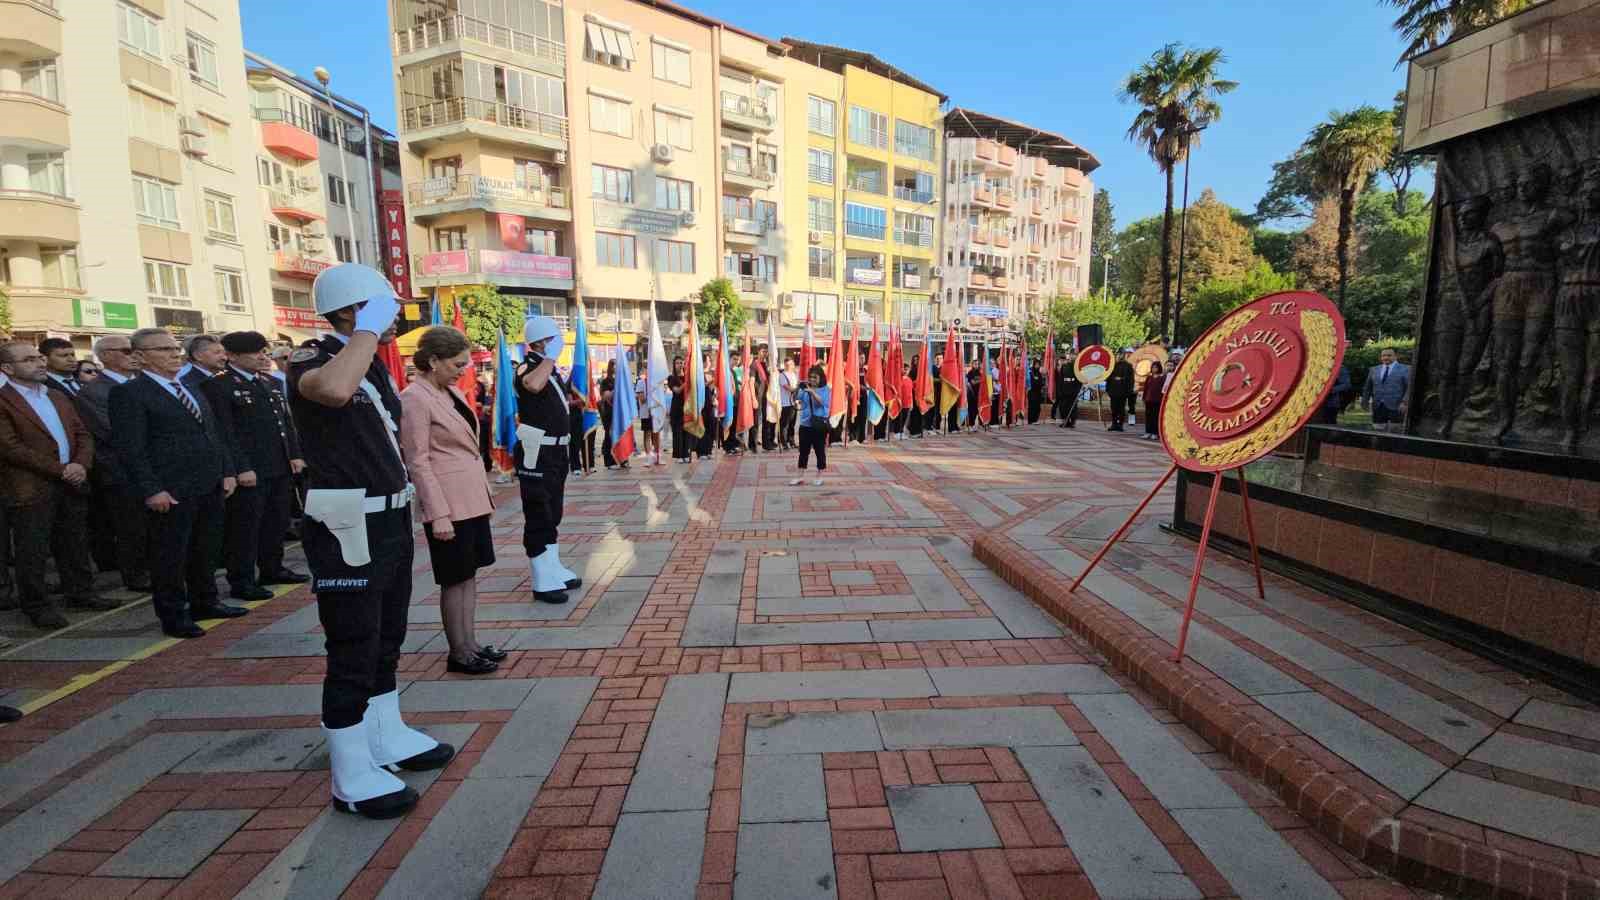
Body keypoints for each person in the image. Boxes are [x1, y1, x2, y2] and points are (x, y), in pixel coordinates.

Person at [288, 263, 454, 819]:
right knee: (353, 643)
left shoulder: (373, 364)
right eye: (383, 307)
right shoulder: (313, 357)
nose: (395, 318)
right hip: (344, 524)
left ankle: (385, 735)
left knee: (388, 636)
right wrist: (364, 329)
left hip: (387, 518)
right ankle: (349, 769)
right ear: (349, 309)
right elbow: (333, 390)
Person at [111, 328, 242, 638]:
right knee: (170, 555)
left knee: (205, 548)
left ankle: (205, 601)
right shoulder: (130, 393)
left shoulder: (188, 387)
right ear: (140, 357)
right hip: (170, 488)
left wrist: (226, 470)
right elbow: (131, 448)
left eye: (175, 349)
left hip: (207, 483)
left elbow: (212, 433)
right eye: (164, 350)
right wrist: (152, 488)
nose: (174, 355)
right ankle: (173, 614)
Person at [400, 327, 500, 675]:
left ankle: (470, 642)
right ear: (432, 361)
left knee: (469, 575)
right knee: (454, 578)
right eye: (457, 364)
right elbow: (418, 459)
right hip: (448, 504)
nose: (463, 370)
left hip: (470, 500)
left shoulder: (450, 392)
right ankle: (458, 652)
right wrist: (437, 514)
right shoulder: (414, 397)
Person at [0, 341, 112, 630]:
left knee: (74, 542)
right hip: (32, 486)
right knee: (32, 550)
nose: (39, 363)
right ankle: (37, 606)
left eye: (39, 357)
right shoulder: (3, 400)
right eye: (28, 360)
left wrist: (80, 465)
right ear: (7, 368)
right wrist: (61, 470)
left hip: (71, 481)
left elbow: (82, 433)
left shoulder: (57, 395)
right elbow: (10, 448)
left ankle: (81, 592)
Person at [201, 331, 309, 604]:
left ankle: (272, 568)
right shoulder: (220, 385)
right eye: (255, 352)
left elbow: (286, 423)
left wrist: (294, 454)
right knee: (246, 527)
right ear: (233, 356)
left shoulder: (270, 382)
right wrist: (239, 467)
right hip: (250, 468)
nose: (263, 357)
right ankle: (242, 579)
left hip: (279, 464)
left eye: (264, 351)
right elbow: (225, 432)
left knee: (276, 521)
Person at [515, 316, 581, 604]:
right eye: (554, 339)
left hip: (555, 451)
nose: (559, 344)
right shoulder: (529, 366)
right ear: (542, 341)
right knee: (539, 512)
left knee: (553, 511)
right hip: (536, 452)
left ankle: (553, 567)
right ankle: (542, 579)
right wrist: (549, 359)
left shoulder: (549, 368)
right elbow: (532, 385)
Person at [76, 335, 150, 592]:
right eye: (127, 350)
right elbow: (111, 431)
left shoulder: (141, 384)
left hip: (151, 465)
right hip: (119, 468)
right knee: (131, 525)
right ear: (105, 356)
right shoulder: (93, 391)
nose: (133, 355)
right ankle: (137, 574)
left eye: (135, 350)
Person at [791, 365, 830, 486]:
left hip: (818, 425)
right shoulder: (805, 389)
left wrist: (812, 391)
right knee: (803, 451)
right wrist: (798, 388)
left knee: (819, 451)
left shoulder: (825, 389)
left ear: (821, 378)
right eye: (810, 377)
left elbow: (822, 402)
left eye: (815, 377)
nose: (812, 379)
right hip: (805, 424)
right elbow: (796, 398)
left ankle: (819, 475)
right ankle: (800, 476)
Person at [1361, 347, 1410, 433]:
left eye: (1389, 355)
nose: (1386, 358)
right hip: (1378, 406)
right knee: (1377, 432)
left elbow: (1409, 387)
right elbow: (1367, 388)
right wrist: (1364, 401)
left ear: (1395, 356)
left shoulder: (1406, 369)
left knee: (1396, 432)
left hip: (1397, 407)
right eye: (1383, 355)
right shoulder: (1374, 369)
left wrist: (1405, 402)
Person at [1105, 351, 1135, 432]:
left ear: (1124, 355)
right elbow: (1107, 377)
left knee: (1121, 408)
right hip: (1113, 390)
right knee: (1113, 408)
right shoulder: (1112, 365)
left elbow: (1130, 379)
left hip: (1122, 391)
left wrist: (1121, 380)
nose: (1119, 356)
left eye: (1121, 354)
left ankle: (1120, 424)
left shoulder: (1128, 366)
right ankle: (1114, 424)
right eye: (1118, 354)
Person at [668, 356, 689, 463]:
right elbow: (677, 391)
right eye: (677, 363)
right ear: (674, 365)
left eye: (681, 363)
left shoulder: (686, 377)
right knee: (677, 433)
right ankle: (678, 456)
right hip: (676, 409)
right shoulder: (671, 378)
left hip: (686, 408)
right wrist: (687, 382)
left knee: (686, 433)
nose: (680, 365)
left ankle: (685, 454)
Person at [1142, 361, 1165, 441]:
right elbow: (1145, 388)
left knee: (1155, 416)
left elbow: (1163, 390)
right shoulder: (1149, 377)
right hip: (1148, 399)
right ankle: (1148, 432)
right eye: (1153, 367)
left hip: (1157, 400)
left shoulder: (1162, 378)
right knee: (1148, 416)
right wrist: (1144, 398)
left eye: (1155, 367)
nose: (1154, 369)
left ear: (1159, 368)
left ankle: (1155, 433)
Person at [779, 356, 798, 449]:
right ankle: (784, 442)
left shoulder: (794, 374)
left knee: (792, 424)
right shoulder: (782, 375)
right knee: (785, 424)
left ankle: (791, 441)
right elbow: (788, 387)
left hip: (793, 403)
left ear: (793, 364)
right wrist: (797, 390)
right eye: (787, 365)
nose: (789, 366)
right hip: (785, 403)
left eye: (790, 364)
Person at [1028, 360, 1044, 424]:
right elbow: (1032, 382)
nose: (1037, 366)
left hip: (1038, 392)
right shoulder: (1030, 372)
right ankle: (1031, 420)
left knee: (1037, 407)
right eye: (1036, 364)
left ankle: (1035, 419)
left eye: (1038, 364)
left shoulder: (1039, 373)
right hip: (1032, 392)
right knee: (1032, 406)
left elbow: (1041, 382)